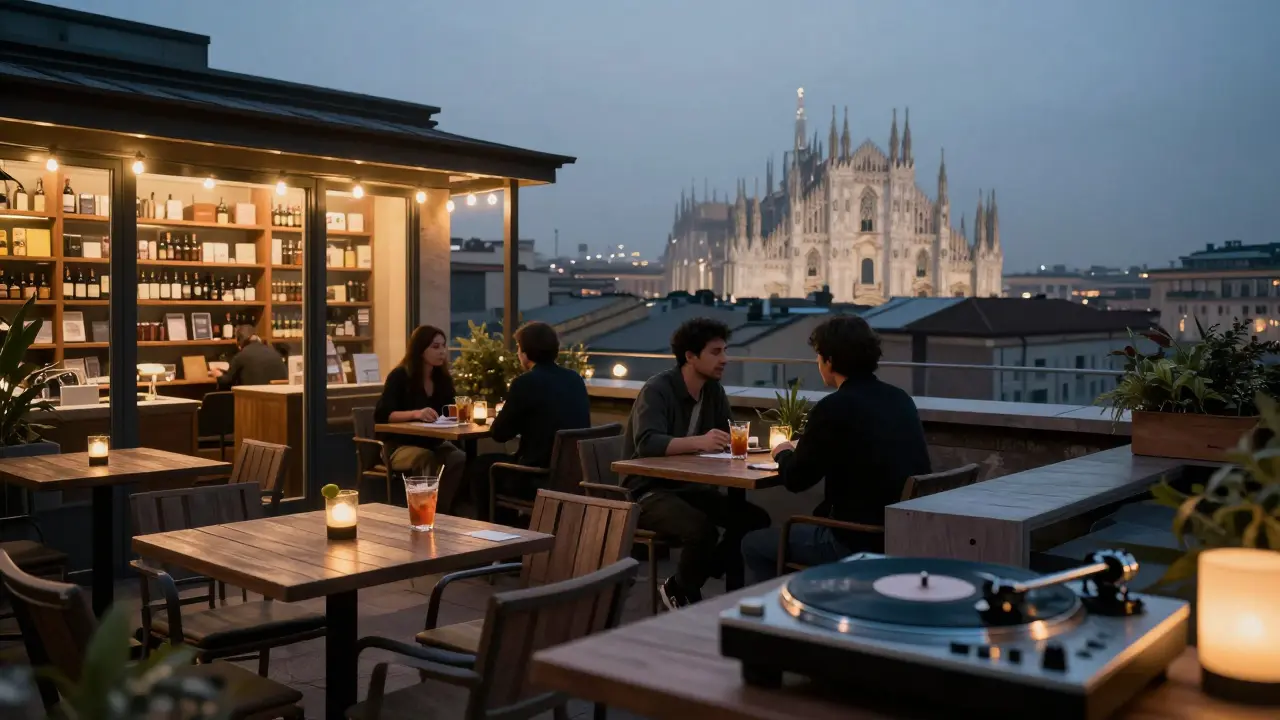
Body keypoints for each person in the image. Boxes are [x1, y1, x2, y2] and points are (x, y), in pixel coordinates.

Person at [740, 315, 931, 585]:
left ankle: (768, 619)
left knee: (753, 543)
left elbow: (796, 479)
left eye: (818, 356)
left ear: (828, 360)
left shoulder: (835, 407)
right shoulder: (900, 399)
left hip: (853, 539)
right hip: (901, 536)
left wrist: (781, 451)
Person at [620, 317, 770, 609]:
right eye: (716, 352)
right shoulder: (658, 389)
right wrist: (700, 441)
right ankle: (684, 591)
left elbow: (725, 436)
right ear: (690, 356)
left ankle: (686, 580)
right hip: (647, 490)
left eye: (725, 351)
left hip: (689, 487)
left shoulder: (713, 391)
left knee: (755, 520)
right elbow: (647, 443)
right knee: (701, 531)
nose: (724, 360)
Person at [467, 321, 592, 520]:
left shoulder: (525, 383)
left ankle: (498, 532)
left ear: (524, 353)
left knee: (482, 467)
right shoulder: (574, 379)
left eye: (518, 348)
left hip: (537, 475)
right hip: (574, 475)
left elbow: (500, 434)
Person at [373, 325, 467, 508]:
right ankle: (423, 510)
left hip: (433, 442)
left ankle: (441, 509)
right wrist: (417, 414)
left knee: (458, 457)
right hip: (399, 445)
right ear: (420, 349)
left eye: (443, 346)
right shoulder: (400, 376)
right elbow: (383, 415)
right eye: (435, 347)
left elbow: (449, 409)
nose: (442, 352)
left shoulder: (442, 379)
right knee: (426, 458)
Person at [213, 325, 287, 388]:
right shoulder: (274, 352)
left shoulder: (241, 356)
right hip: (278, 401)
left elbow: (227, 381)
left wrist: (218, 375)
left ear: (239, 342)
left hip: (254, 401)